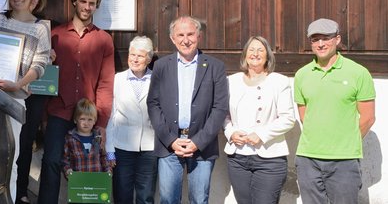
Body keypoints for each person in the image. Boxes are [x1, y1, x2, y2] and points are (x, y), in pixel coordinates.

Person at [39, 0, 115, 204]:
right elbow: (44, 76)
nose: (87, 7)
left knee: (89, 168)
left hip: (87, 116)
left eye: (92, 3)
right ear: (74, 1)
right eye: (83, 1)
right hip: (58, 111)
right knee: (51, 161)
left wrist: (101, 121)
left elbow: (106, 83)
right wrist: (43, 117)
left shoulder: (104, 40)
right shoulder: (55, 35)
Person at [146, 16, 228, 204]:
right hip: (169, 144)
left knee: (199, 200)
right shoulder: (161, 66)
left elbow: (220, 107)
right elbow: (153, 104)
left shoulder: (215, 66)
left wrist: (198, 141)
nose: (186, 40)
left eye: (190, 34)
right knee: (168, 200)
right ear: (172, 39)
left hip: (202, 146)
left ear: (199, 36)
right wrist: (170, 140)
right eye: (180, 35)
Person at [294, 18, 376, 204]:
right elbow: (304, 116)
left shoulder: (358, 73)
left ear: (337, 39)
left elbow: (368, 117)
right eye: (315, 39)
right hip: (308, 159)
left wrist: (345, 141)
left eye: (326, 38)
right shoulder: (302, 75)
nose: (321, 44)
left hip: (344, 160)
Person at [0, 0, 51, 203]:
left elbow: (41, 63)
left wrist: (20, 83)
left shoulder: (40, 28)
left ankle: (10, 199)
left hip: (15, 98)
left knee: (11, 156)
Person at [223, 36, 295, 204]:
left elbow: (288, 118)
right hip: (238, 157)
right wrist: (231, 132)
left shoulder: (279, 81)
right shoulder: (231, 81)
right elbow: (223, 115)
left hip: (269, 159)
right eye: (251, 49)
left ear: (268, 56)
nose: (255, 53)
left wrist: (261, 134)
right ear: (245, 55)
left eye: (260, 50)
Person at [106, 36, 158, 204]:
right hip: (122, 147)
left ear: (148, 59)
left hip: (149, 148)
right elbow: (111, 115)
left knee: (146, 196)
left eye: (140, 56)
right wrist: (109, 149)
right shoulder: (117, 79)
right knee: (122, 194)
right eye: (132, 55)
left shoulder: (157, 80)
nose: (135, 59)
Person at [63, 98, 114, 177]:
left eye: (90, 119)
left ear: (94, 121)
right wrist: (67, 170)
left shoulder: (98, 138)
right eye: (82, 119)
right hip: (77, 181)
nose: (86, 123)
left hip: (96, 181)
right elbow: (65, 158)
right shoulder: (70, 138)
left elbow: (103, 157)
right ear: (75, 120)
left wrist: (108, 170)